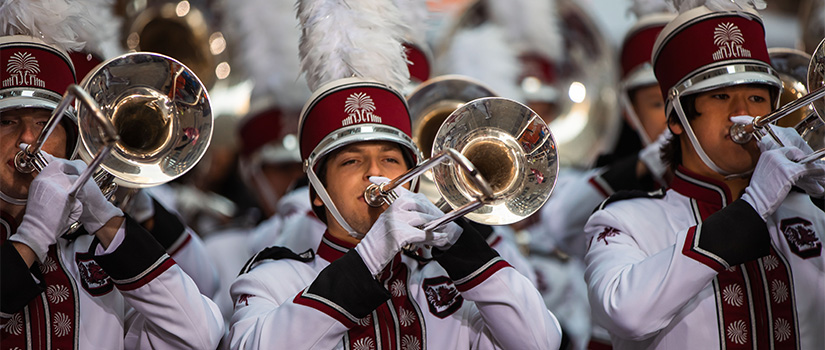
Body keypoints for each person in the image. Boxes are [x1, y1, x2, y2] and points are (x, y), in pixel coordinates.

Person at [583, 3, 825, 349]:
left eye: (757, 98)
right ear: (677, 120)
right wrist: (752, 206)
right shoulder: (624, 220)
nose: (742, 114)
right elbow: (625, 314)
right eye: (721, 96)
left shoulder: (808, 213)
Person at [0, 20, 223, 350]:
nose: (29, 139)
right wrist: (32, 236)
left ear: (69, 139)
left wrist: (107, 220)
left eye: (45, 123)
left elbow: (198, 335)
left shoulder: (98, 248)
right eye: (7, 121)